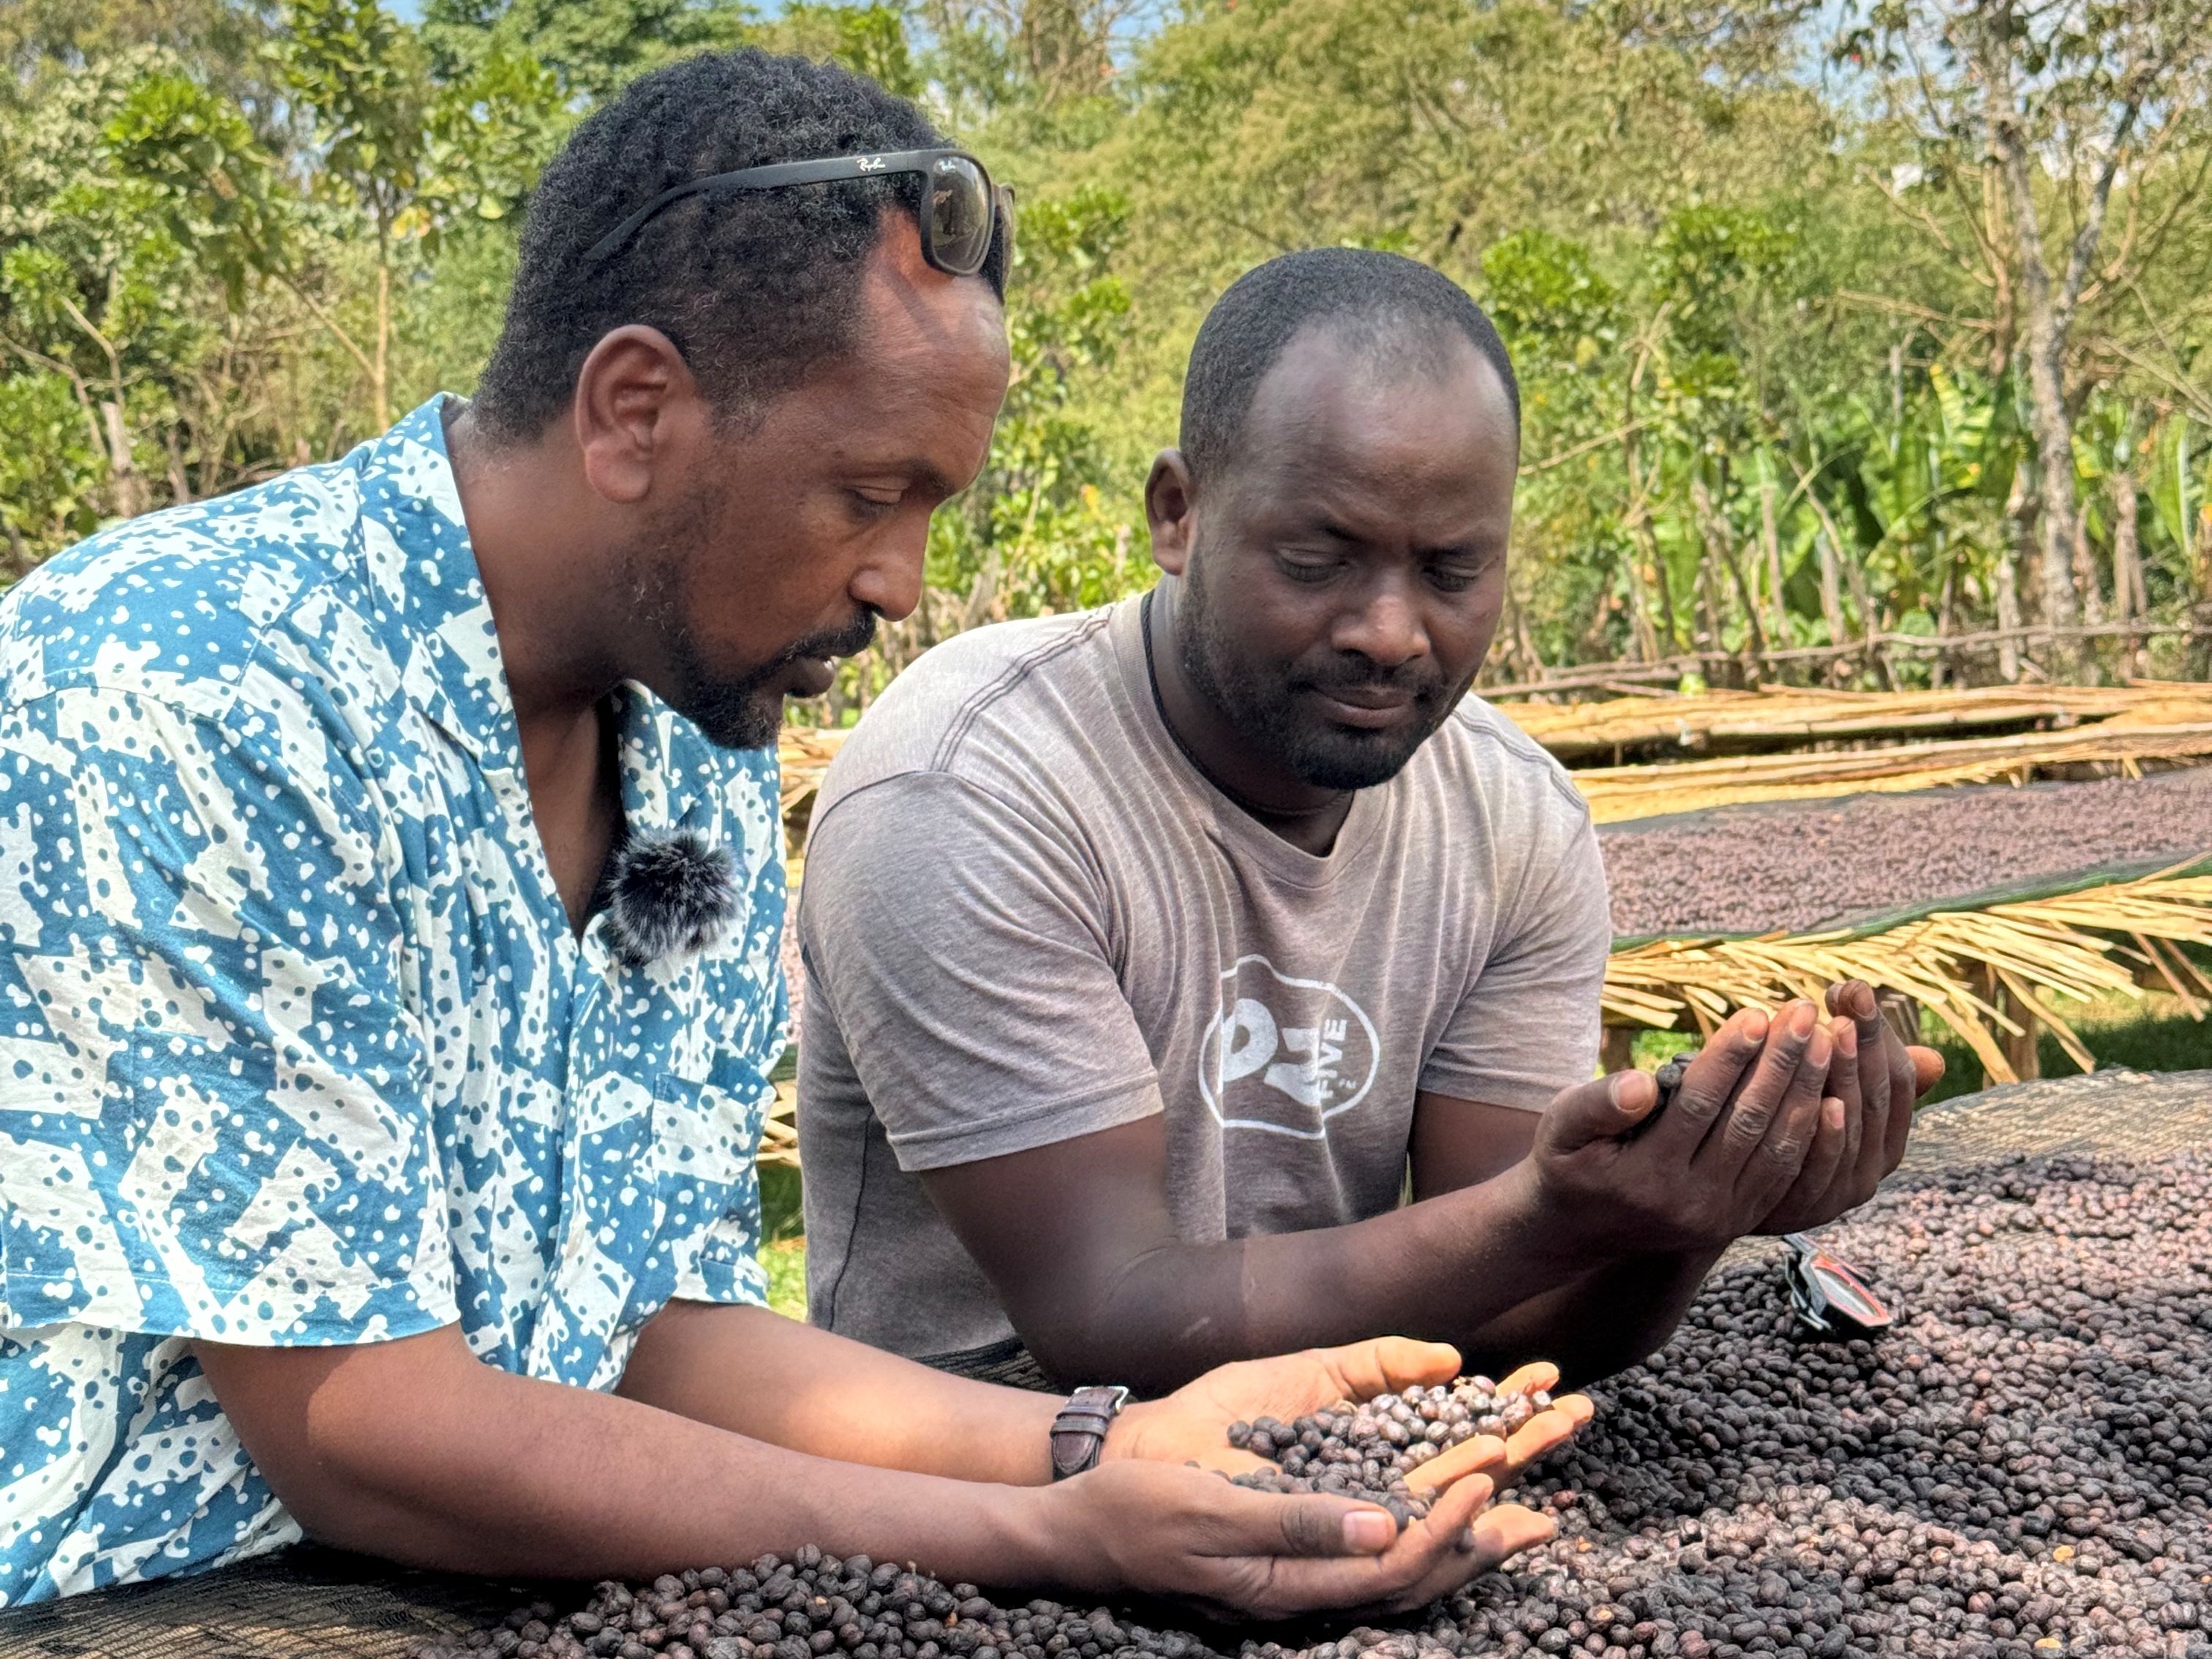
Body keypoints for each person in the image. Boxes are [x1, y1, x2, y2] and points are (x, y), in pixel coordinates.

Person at [0, 56, 1576, 1609]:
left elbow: (658, 1328)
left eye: (930, 513)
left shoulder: (690, 720)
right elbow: (365, 1431)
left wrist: (1102, 1444)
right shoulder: (190, 686)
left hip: (469, 1555)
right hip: (111, 1592)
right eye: (866, 495)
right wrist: (1052, 1535)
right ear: (635, 412)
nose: (901, 583)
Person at [795, 248, 1944, 1396]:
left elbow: (1498, 1314)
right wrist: (1545, 1219)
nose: (1391, 632)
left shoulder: (1511, 821)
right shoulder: (974, 784)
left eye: (1453, 572)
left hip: (1332, 1427)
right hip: (968, 1474)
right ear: (1180, 513)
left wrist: (1694, 1212)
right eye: (1317, 560)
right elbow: (1107, 1317)